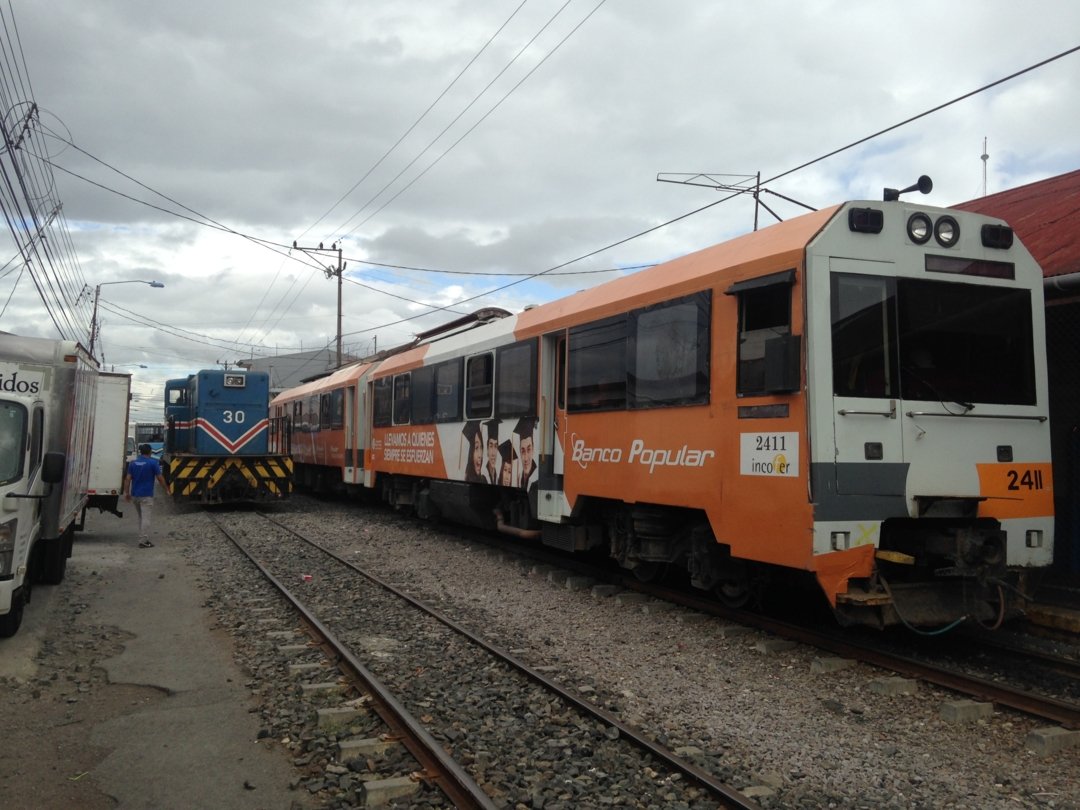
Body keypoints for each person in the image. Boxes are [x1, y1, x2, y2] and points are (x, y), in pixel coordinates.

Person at [124, 443, 167, 548]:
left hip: (135, 495)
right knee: (146, 518)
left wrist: (127, 493)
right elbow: (160, 478)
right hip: (146, 495)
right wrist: (166, 489)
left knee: (141, 517)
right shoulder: (153, 463)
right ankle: (143, 541)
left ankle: (142, 537)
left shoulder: (133, 463)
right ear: (150, 452)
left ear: (140, 452)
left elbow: (127, 479)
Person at [483, 419, 499, 484]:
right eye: (491, 446)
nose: (493, 453)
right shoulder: (483, 476)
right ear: (487, 450)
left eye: (496, 446)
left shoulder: (496, 475)